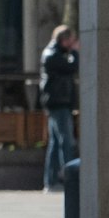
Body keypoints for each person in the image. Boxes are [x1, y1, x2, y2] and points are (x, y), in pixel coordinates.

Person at [40, 26, 80, 191]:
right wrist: (75, 52)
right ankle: (68, 180)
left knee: (56, 143)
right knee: (66, 142)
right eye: (70, 40)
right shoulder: (53, 55)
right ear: (64, 40)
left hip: (58, 103)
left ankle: (52, 181)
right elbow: (72, 67)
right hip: (59, 104)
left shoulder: (53, 53)